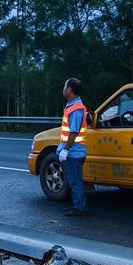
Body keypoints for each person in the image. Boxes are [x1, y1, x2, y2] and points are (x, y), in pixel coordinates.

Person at [57, 78, 88, 216]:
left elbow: (74, 132)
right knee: (74, 180)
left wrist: (65, 149)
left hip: (74, 152)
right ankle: (77, 206)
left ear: (69, 89)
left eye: (64, 86)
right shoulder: (72, 106)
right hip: (74, 151)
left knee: (75, 181)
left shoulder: (75, 109)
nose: (63, 89)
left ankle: (79, 208)